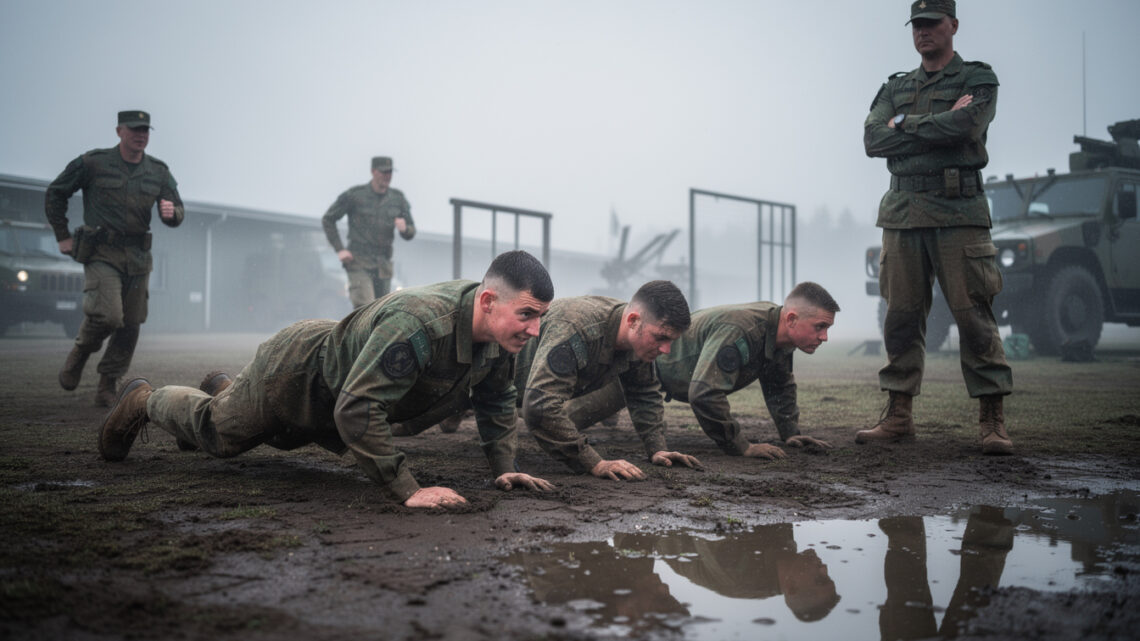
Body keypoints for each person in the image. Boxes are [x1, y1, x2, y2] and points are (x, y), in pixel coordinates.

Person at [98, 250, 556, 509]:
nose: (535, 330)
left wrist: (505, 466)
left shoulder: (500, 337)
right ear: (489, 300)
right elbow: (359, 408)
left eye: (540, 318)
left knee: (280, 441)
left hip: (335, 390)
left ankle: (227, 389)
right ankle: (144, 399)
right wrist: (409, 489)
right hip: (296, 374)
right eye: (527, 315)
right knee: (219, 435)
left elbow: (497, 398)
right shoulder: (419, 324)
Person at [861, 0, 1013, 454]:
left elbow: (966, 126)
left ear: (953, 25)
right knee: (900, 316)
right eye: (917, 25)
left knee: (973, 315)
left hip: (958, 212)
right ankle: (898, 415)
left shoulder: (977, 79)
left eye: (932, 23)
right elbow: (873, 138)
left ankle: (992, 419)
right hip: (903, 213)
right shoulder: (896, 86)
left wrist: (903, 125)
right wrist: (932, 124)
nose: (923, 32)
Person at [589, 282, 840, 460]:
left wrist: (790, 433)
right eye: (819, 327)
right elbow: (705, 393)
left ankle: (609, 413)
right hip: (644, 366)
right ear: (791, 319)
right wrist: (741, 446)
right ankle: (606, 409)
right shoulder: (744, 330)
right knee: (572, 418)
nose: (824, 337)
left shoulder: (779, 337)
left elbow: (779, 384)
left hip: (659, 373)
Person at [45, 110, 184, 407]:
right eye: (134, 129)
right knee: (109, 315)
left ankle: (107, 385)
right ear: (119, 131)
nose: (140, 135)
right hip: (101, 252)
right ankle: (81, 352)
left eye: (145, 130)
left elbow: (177, 208)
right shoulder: (93, 163)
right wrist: (62, 235)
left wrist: (172, 213)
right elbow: (56, 192)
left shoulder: (158, 171)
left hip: (138, 256)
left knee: (130, 324)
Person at [515, 280, 701, 480]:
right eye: (661, 338)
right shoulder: (577, 328)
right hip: (496, 384)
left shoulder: (637, 337)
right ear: (633, 320)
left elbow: (643, 391)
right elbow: (540, 406)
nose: (666, 350)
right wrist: (593, 462)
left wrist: (658, 448)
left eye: (671, 341)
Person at [322, 156, 415, 308]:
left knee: (381, 311)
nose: (387, 176)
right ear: (373, 172)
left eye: (390, 172)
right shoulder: (355, 195)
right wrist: (340, 249)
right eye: (383, 172)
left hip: (383, 265)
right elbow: (328, 219)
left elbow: (411, 231)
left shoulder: (397, 199)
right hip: (359, 262)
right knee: (365, 307)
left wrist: (405, 229)